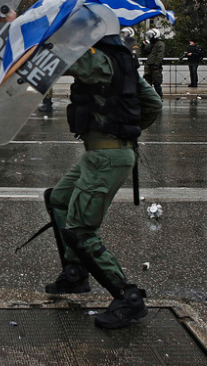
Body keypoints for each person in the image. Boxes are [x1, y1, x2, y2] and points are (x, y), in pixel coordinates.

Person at [42, 33, 162, 329]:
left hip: (107, 156)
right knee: (58, 199)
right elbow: (153, 103)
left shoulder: (100, 60)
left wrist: (25, 37)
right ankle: (75, 273)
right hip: (102, 154)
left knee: (80, 230)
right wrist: (126, 128)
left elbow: (60, 60)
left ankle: (128, 298)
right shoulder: (122, 61)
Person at [141, 28, 165, 97]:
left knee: (156, 83)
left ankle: (159, 97)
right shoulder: (152, 44)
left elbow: (160, 54)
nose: (149, 37)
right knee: (147, 82)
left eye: (150, 35)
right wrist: (143, 46)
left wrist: (157, 64)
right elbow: (146, 52)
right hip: (149, 65)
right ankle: (148, 97)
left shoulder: (160, 44)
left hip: (155, 66)